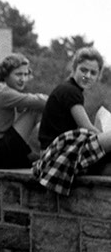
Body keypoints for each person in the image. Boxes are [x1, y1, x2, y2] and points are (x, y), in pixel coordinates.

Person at [33, 47, 111, 194]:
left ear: (98, 76)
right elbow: (87, 127)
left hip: (58, 150)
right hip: (57, 153)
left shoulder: (69, 89)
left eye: (93, 73)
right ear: (74, 68)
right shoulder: (70, 91)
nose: (87, 76)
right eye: (83, 70)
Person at [0, 54, 47, 168]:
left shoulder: (0, 90)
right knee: (35, 110)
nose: (22, 79)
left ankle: (44, 152)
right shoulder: (4, 93)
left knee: (34, 159)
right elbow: (41, 102)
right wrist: (58, 99)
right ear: (5, 75)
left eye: (25, 74)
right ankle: (49, 150)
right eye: (18, 74)